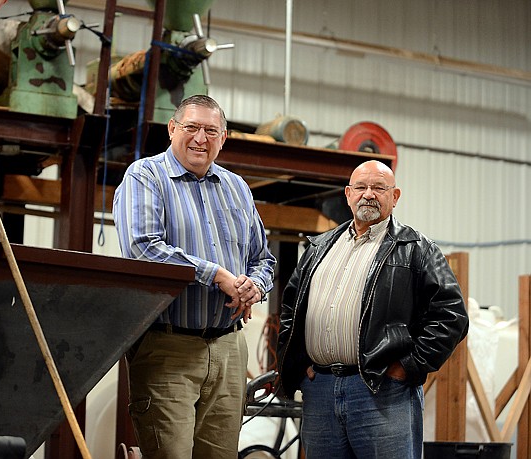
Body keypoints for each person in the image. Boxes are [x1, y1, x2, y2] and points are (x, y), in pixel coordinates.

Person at [113, 94, 276, 459]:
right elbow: (142, 247)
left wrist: (254, 286)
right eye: (191, 128)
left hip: (230, 351)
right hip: (169, 347)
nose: (200, 138)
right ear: (172, 129)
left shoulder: (237, 187)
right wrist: (217, 275)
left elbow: (263, 258)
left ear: (224, 137)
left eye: (211, 130)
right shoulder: (146, 176)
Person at [276, 160, 468, 459]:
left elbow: (451, 315)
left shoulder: (416, 248)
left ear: (395, 196)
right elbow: (291, 308)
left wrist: (407, 367)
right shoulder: (320, 246)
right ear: (348, 194)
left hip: (382, 390)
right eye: (362, 187)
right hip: (321, 390)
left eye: (379, 188)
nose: (369, 194)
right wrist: (301, 367)